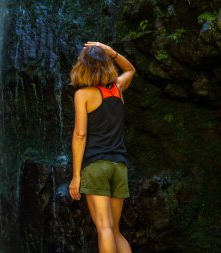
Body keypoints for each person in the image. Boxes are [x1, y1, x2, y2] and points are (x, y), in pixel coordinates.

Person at [69, 41, 135, 253]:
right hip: (119, 166)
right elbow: (131, 69)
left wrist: (76, 175)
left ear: (83, 67)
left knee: (104, 228)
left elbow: (80, 134)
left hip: (96, 166)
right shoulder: (117, 88)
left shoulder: (83, 95)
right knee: (115, 230)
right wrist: (110, 51)